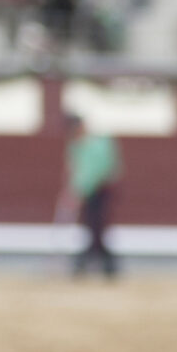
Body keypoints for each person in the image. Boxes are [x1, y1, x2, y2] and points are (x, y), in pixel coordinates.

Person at [57, 110, 122, 278]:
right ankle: (104, 264)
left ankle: (89, 263)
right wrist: (73, 192)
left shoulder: (98, 144)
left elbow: (99, 171)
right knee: (93, 227)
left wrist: (78, 192)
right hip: (88, 192)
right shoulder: (77, 146)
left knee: (96, 226)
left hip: (101, 191)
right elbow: (76, 172)